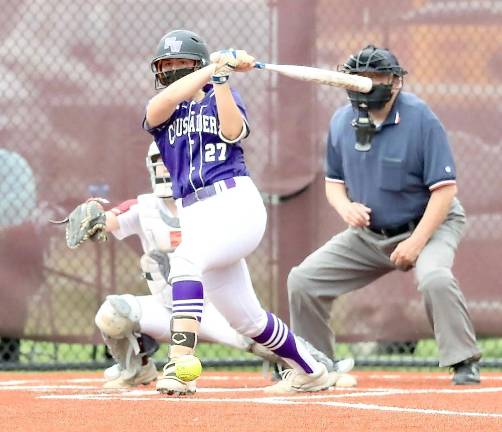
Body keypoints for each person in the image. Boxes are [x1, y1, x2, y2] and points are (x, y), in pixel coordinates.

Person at [143, 29, 341, 395]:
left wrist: (220, 79)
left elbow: (233, 132)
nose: (171, 70)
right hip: (195, 215)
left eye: (180, 63)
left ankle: (181, 361)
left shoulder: (223, 94)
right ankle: (311, 371)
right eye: (166, 64)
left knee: (185, 260)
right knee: (247, 320)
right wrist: (213, 65)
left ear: (197, 65)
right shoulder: (163, 111)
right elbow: (164, 102)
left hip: (234, 205)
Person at [287, 45, 482, 385]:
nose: (367, 83)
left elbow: (445, 191)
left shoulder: (421, 119)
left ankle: (463, 361)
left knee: (435, 278)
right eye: (359, 77)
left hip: (429, 224)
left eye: (376, 76)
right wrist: (345, 207)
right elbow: (334, 183)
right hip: (370, 233)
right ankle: (316, 363)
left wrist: (416, 243)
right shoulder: (340, 121)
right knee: (303, 281)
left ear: (395, 82)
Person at [93, 142, 283, 389]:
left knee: (257, 336)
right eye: (159, 163)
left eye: (169, 162)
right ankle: (137, 370)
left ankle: (314, 364)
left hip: (211, 308)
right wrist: (93, 218)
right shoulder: (145, 207)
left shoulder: (207, 204)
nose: (164, 169)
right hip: (166, 308)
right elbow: (107, 223)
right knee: (112, 313)